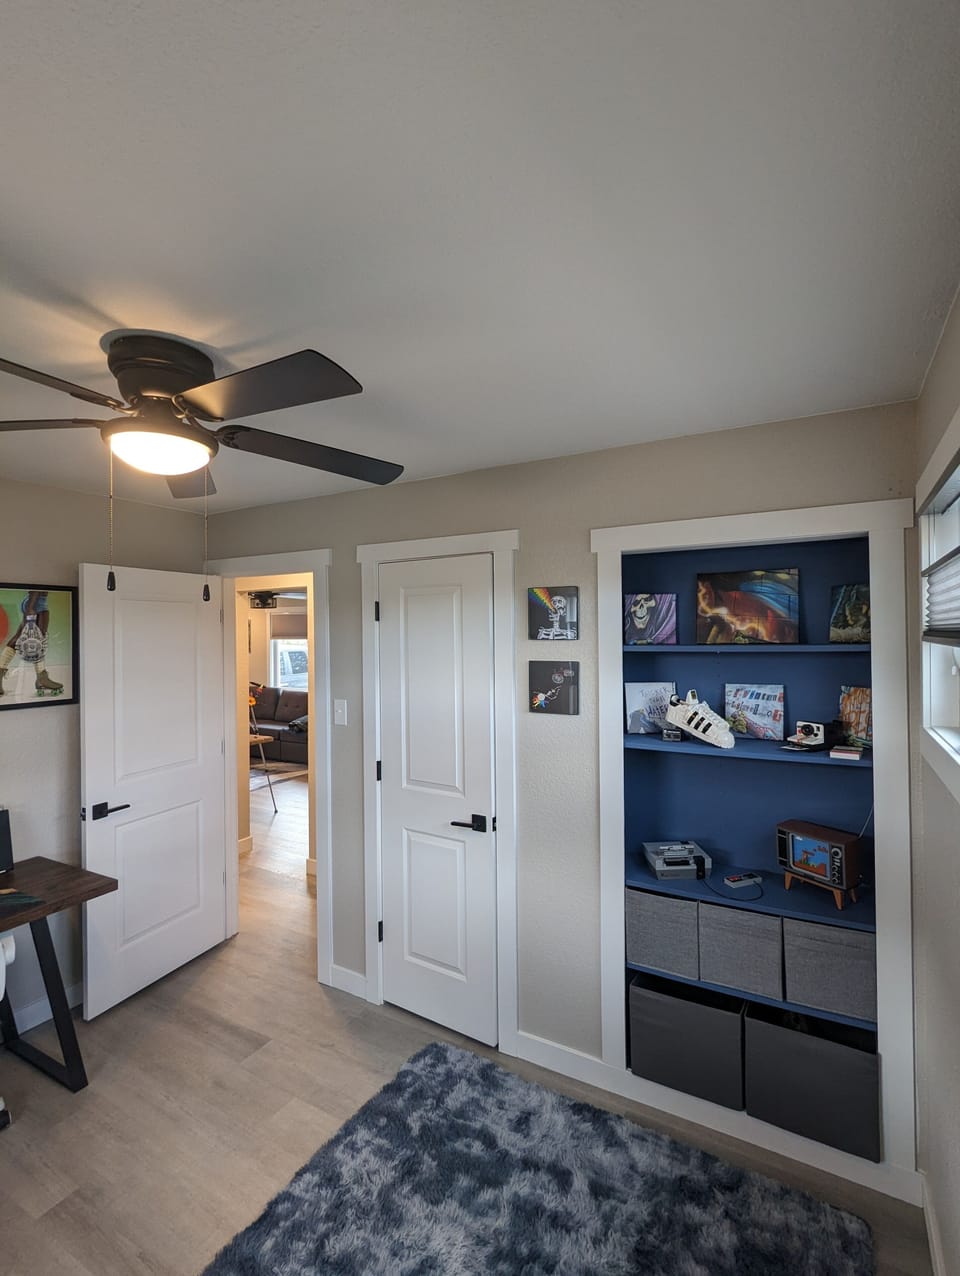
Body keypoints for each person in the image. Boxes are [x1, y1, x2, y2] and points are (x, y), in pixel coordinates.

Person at [0, 590, 64, 696]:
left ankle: (41, 677)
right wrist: (30, 607)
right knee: (39, 641)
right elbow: (37, 587)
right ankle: (42, 678)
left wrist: (30, 605)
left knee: (21, 637)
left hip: (35, 601)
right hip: (37, 603)